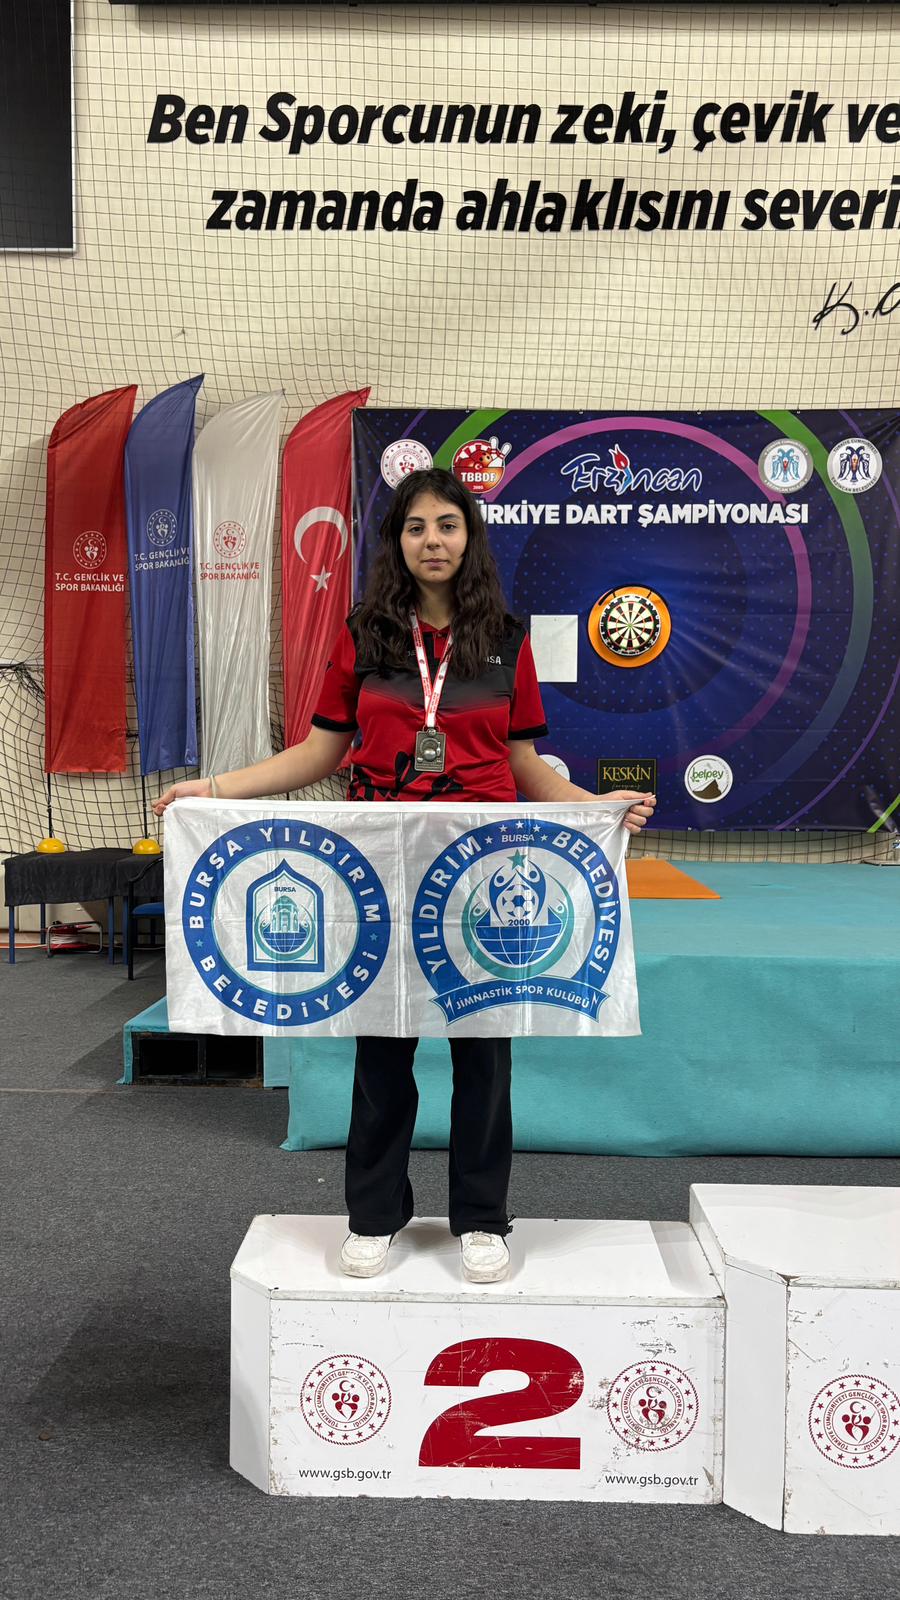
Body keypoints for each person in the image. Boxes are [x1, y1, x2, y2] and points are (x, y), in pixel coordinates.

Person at [154, 468, 656, 1284]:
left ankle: (482, 1218)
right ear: (397, 541)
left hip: (480, 866)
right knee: (383, 1049)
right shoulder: (365, 634)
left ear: (469, 538)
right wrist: (213, 788)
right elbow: (320, 752)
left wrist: (595, 806)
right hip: (384, 865)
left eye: (447, 525)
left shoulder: (506, 638)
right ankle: (373, 1214)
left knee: (483, 1056)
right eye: (416, 526)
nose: (432, 541)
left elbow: (524, 763)